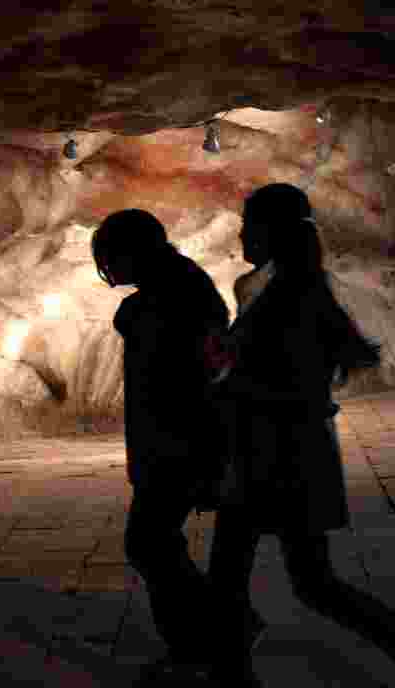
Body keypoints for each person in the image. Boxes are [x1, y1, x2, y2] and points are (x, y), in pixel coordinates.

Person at [206, 183, 395, 688]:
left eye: (249, 225)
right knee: (297, 581)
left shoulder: (290, 296)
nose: (242, 234)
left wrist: (228, 376)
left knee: (290, 581)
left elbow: (284, 380)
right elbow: (350, 354)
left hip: (277, 456)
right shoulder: (293, 287)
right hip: (285, 452)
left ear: (272, 232)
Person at [90, 208, 264, 681]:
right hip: (171, 443)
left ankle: (212, 636)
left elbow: (195, 374)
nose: (107, 268)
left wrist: (205, 453)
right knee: (154, 543)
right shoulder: (172, 286)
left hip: (180, 444)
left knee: (148, 543)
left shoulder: (176, 293)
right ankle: (205, 638)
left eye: (111, 256)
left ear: (132, 252)